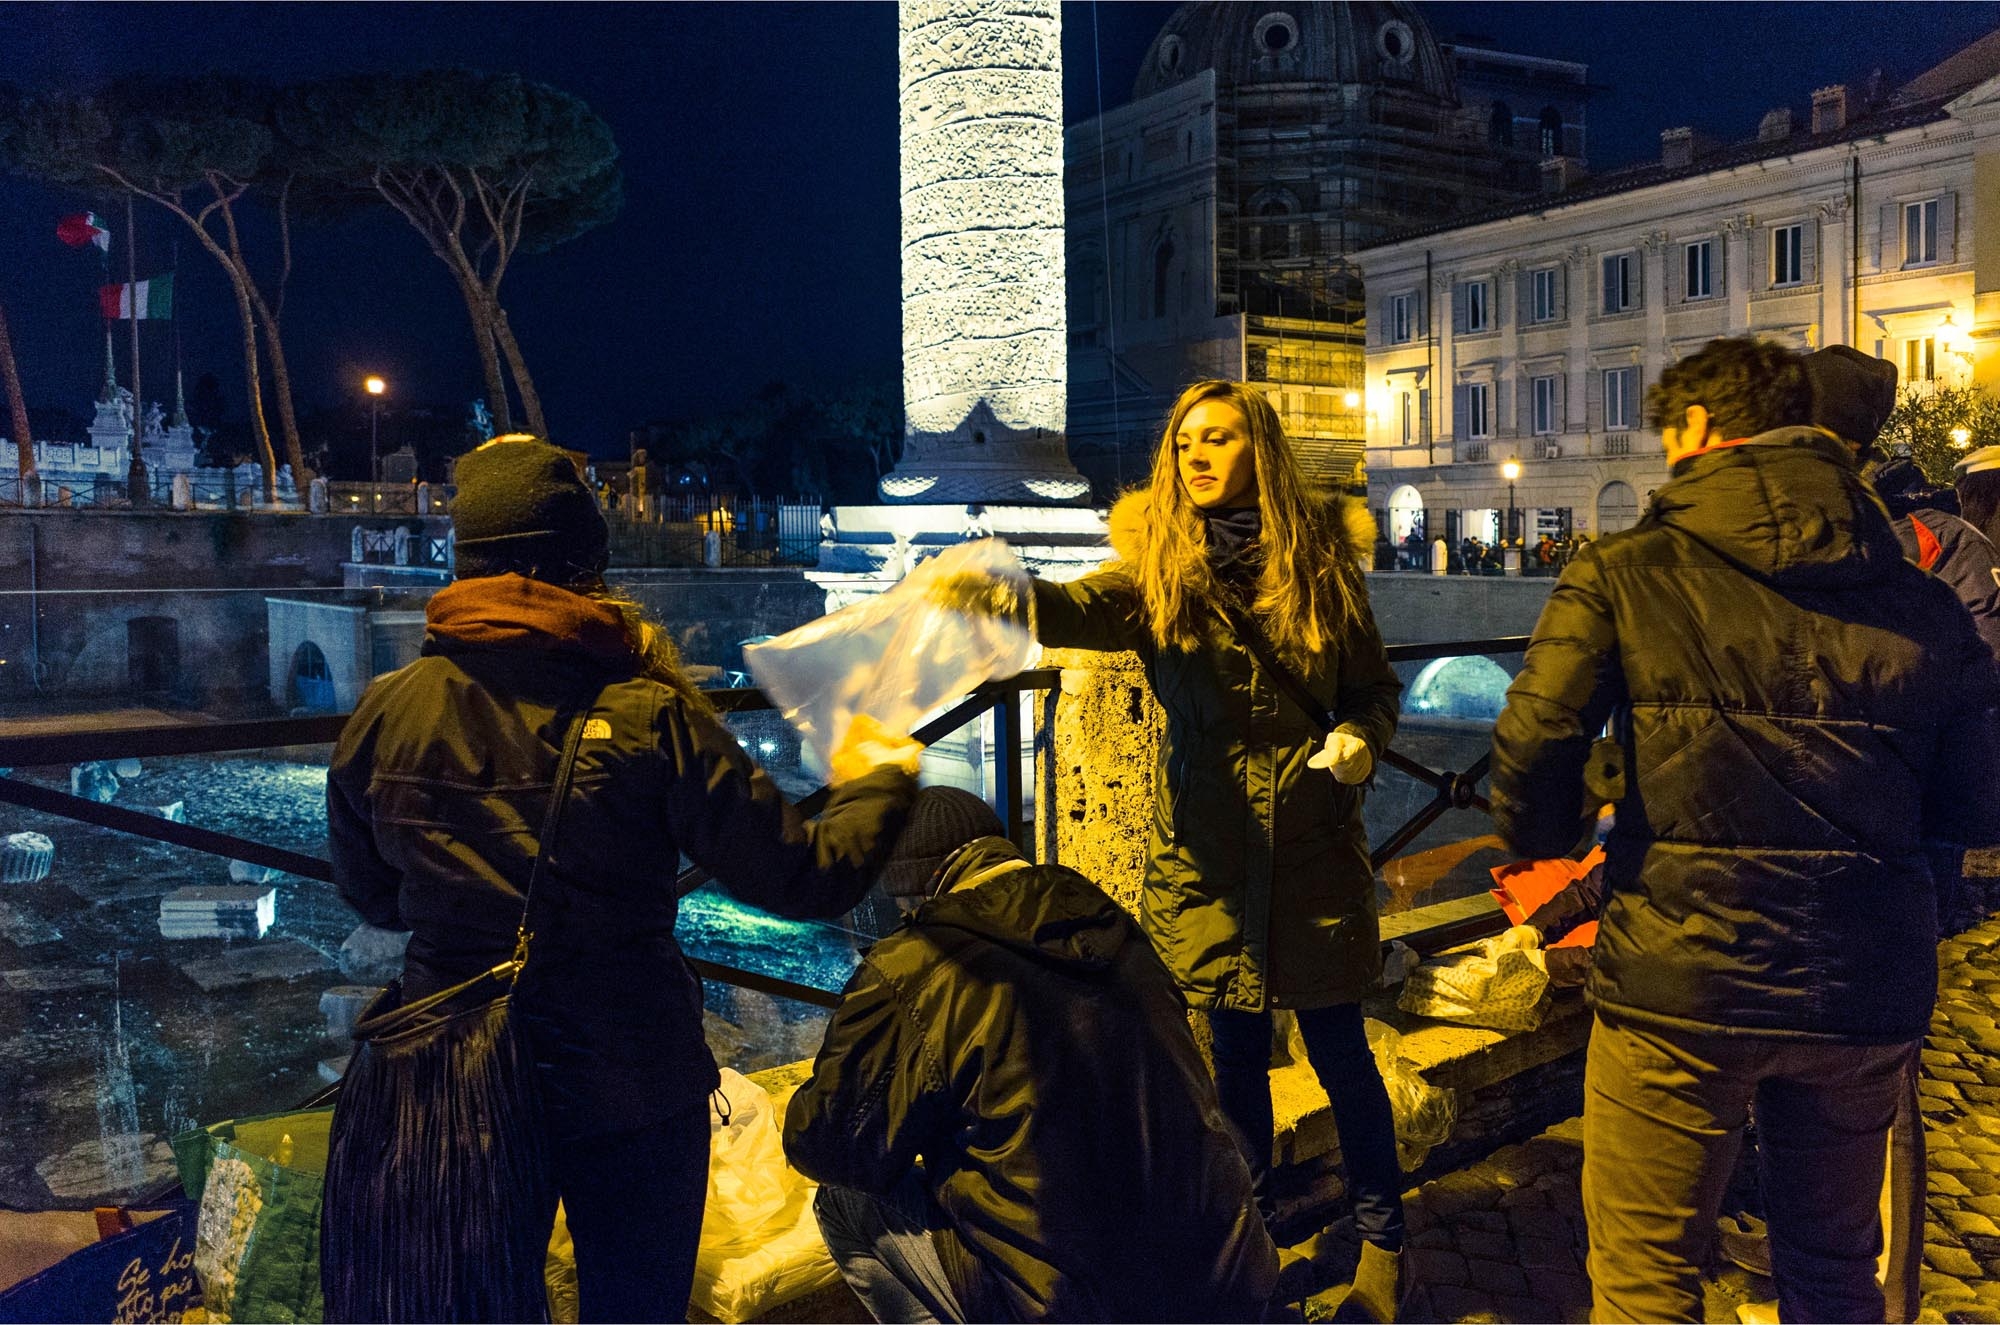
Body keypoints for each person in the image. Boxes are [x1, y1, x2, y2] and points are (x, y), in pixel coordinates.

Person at [322, 435, 920, 1322]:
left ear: (465, 556)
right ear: (584, 566)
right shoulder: (647, 715)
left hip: (456, 1074)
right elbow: (805, 876)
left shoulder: (386, 707)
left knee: (475, 1303)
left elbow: (371, 893)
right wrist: (880, 775)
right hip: (629, 1074)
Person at [1489, 338, 2000, 1323]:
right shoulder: (1922, 595)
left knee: (1645, 1283)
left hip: (1680, 980)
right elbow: (1975, 806)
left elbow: (1534, 737)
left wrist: (1556, 837)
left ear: (1695, 431)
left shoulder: (1625, 568)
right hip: (1862, 980)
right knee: (1829, 1267)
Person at [997, 379, 1406, 1320]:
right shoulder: (1157, 575)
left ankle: (1386, 1241)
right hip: (1209, 872)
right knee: (1231, 1079)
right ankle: (1254, 1252)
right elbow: (1068, 612)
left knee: (1344, 1060)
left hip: (1312, 866)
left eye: (1217, 438)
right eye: (1184, 443)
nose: (1196, 456)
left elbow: (1375, 690)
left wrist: (1362, 739)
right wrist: (1002, 590)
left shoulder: (1324, 571)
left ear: (1258, 447)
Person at [784, 787, 1278, 1323]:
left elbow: (825, 1145)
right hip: (1230, 1277)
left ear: (914, 889)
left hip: (1078, 1311)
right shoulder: (1107, 919)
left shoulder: (918, 963)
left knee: (843, 1203)